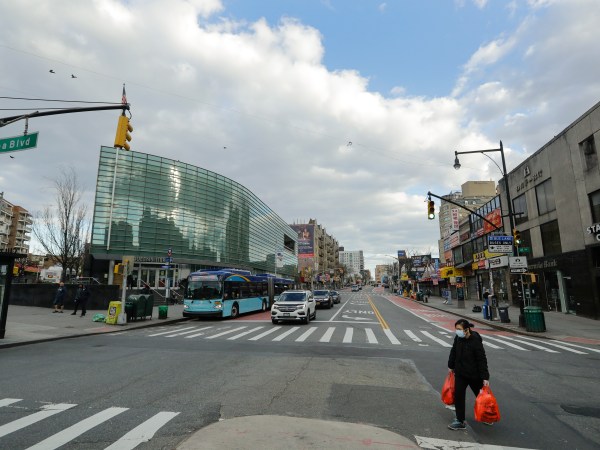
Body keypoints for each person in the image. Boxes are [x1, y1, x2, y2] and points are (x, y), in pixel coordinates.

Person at [447, 319, 490, 431]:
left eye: (459, 329)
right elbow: (454, 351)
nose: (457, 331)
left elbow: (481, 359)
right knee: (459, 396)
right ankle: (460, 421)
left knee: (480, 396)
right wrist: (451, 365)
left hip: (474, 375)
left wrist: (485, 377)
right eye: (456, 329)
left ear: (466, 330)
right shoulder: (458, 338)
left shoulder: (475, 340)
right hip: (460, 373)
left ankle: (487, 416)